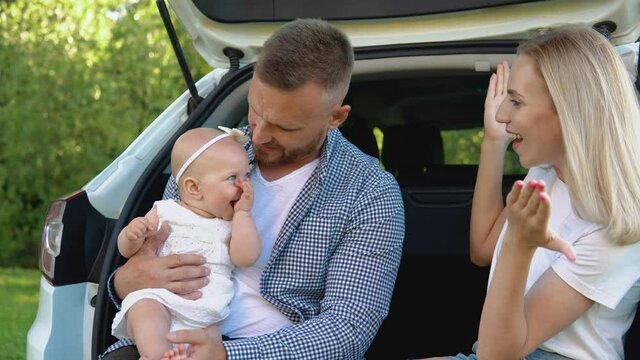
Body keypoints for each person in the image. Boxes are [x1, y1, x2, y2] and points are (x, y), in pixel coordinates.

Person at [100, 18, 405, 360]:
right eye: (256, 111)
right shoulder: (208, 153)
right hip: (171, 339)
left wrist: (230, 355)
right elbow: (137, 269)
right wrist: (124, 281)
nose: (257, 136)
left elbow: (346, 329)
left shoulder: (369, 192)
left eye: (284, 127)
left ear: (336, 117)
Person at [424, 24, 640, 360]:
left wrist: (519, 245)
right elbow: (482, 249)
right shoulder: (547, 170)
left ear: (570, 111)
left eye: (516, 102)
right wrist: (494, 141)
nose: (501, 113)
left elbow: (497, 355)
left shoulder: (617, 224)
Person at [110, 127, 261, 359]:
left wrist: (243, 215)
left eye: (246, 175)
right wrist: (132, 235)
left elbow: (246, 256)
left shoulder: (232, 224)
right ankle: (156, 355)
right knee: (145, 310)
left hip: (205, 310)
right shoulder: (165, 211)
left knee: (210, 337)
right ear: (194, 188)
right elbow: (129, 252)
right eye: (233, 178)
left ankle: (180, 355)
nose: (243, 186)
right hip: (159, 298)